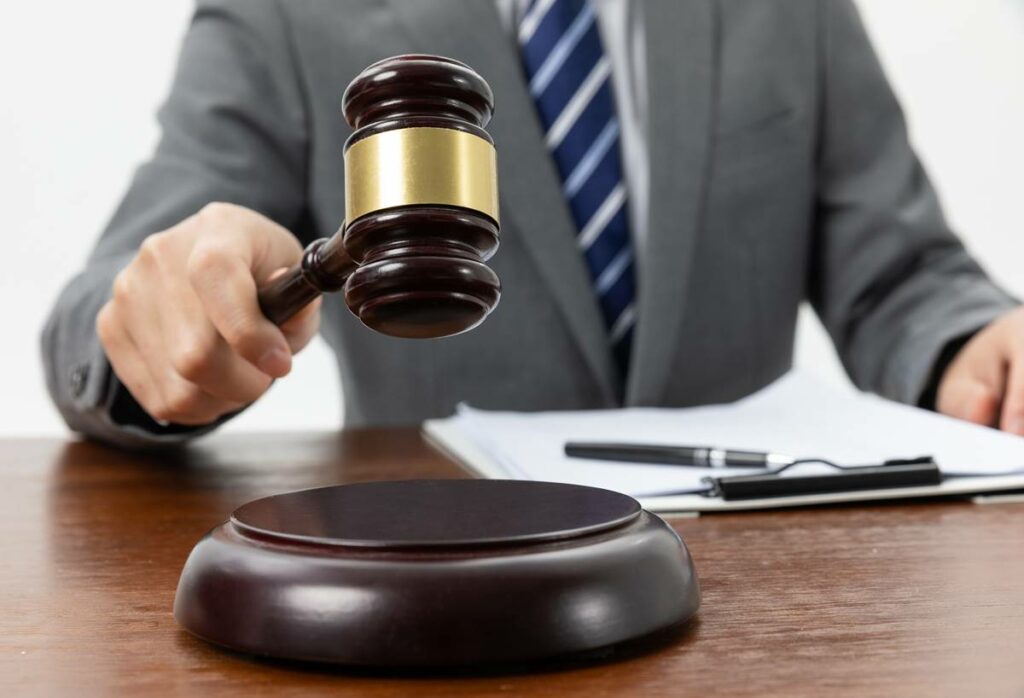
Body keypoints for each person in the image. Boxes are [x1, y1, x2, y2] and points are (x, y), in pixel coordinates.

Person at [42, 0, 1022, 448]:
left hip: (757, 578)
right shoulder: (284, 18)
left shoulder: (792, 12)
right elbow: (113, 301)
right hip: (445, 580)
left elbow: (899, 277)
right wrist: (168, 315)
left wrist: (979, 343)